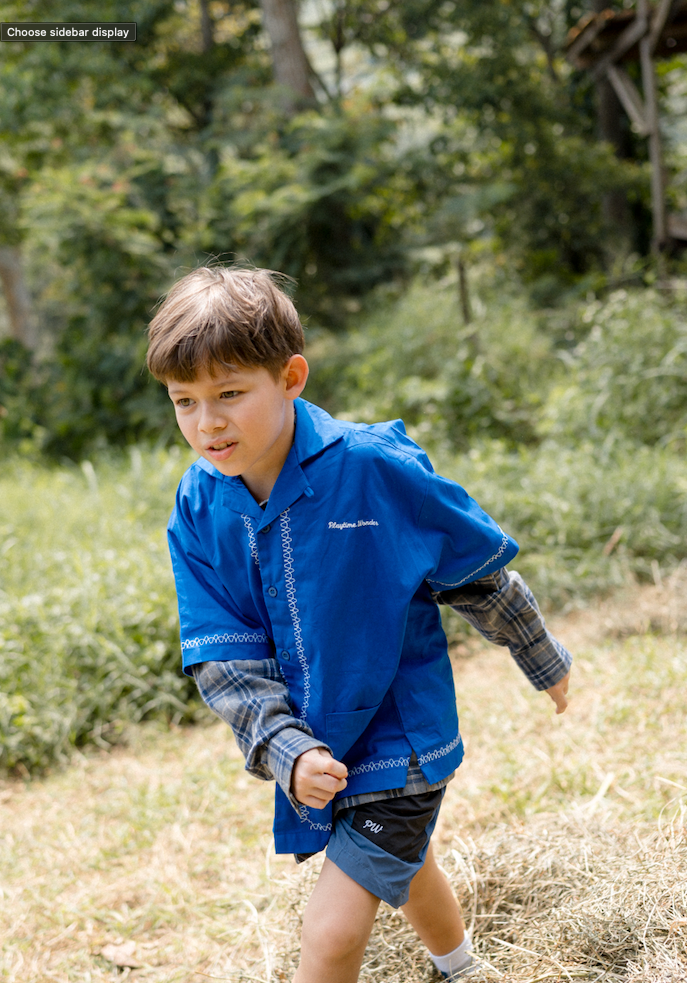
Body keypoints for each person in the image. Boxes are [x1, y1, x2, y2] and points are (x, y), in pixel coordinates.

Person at [146, 266, 572, 983]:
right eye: (184, 401)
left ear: (290, 376)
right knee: (405, 863)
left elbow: (473, 571)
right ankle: (461, 968)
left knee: (330, 933)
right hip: (319, 744)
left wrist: (542, 658)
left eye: (228, 393)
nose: (207, 422)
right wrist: (284, 747)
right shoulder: (198, 506)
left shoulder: (372, 467)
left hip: (400, 738)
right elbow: (224, 655)